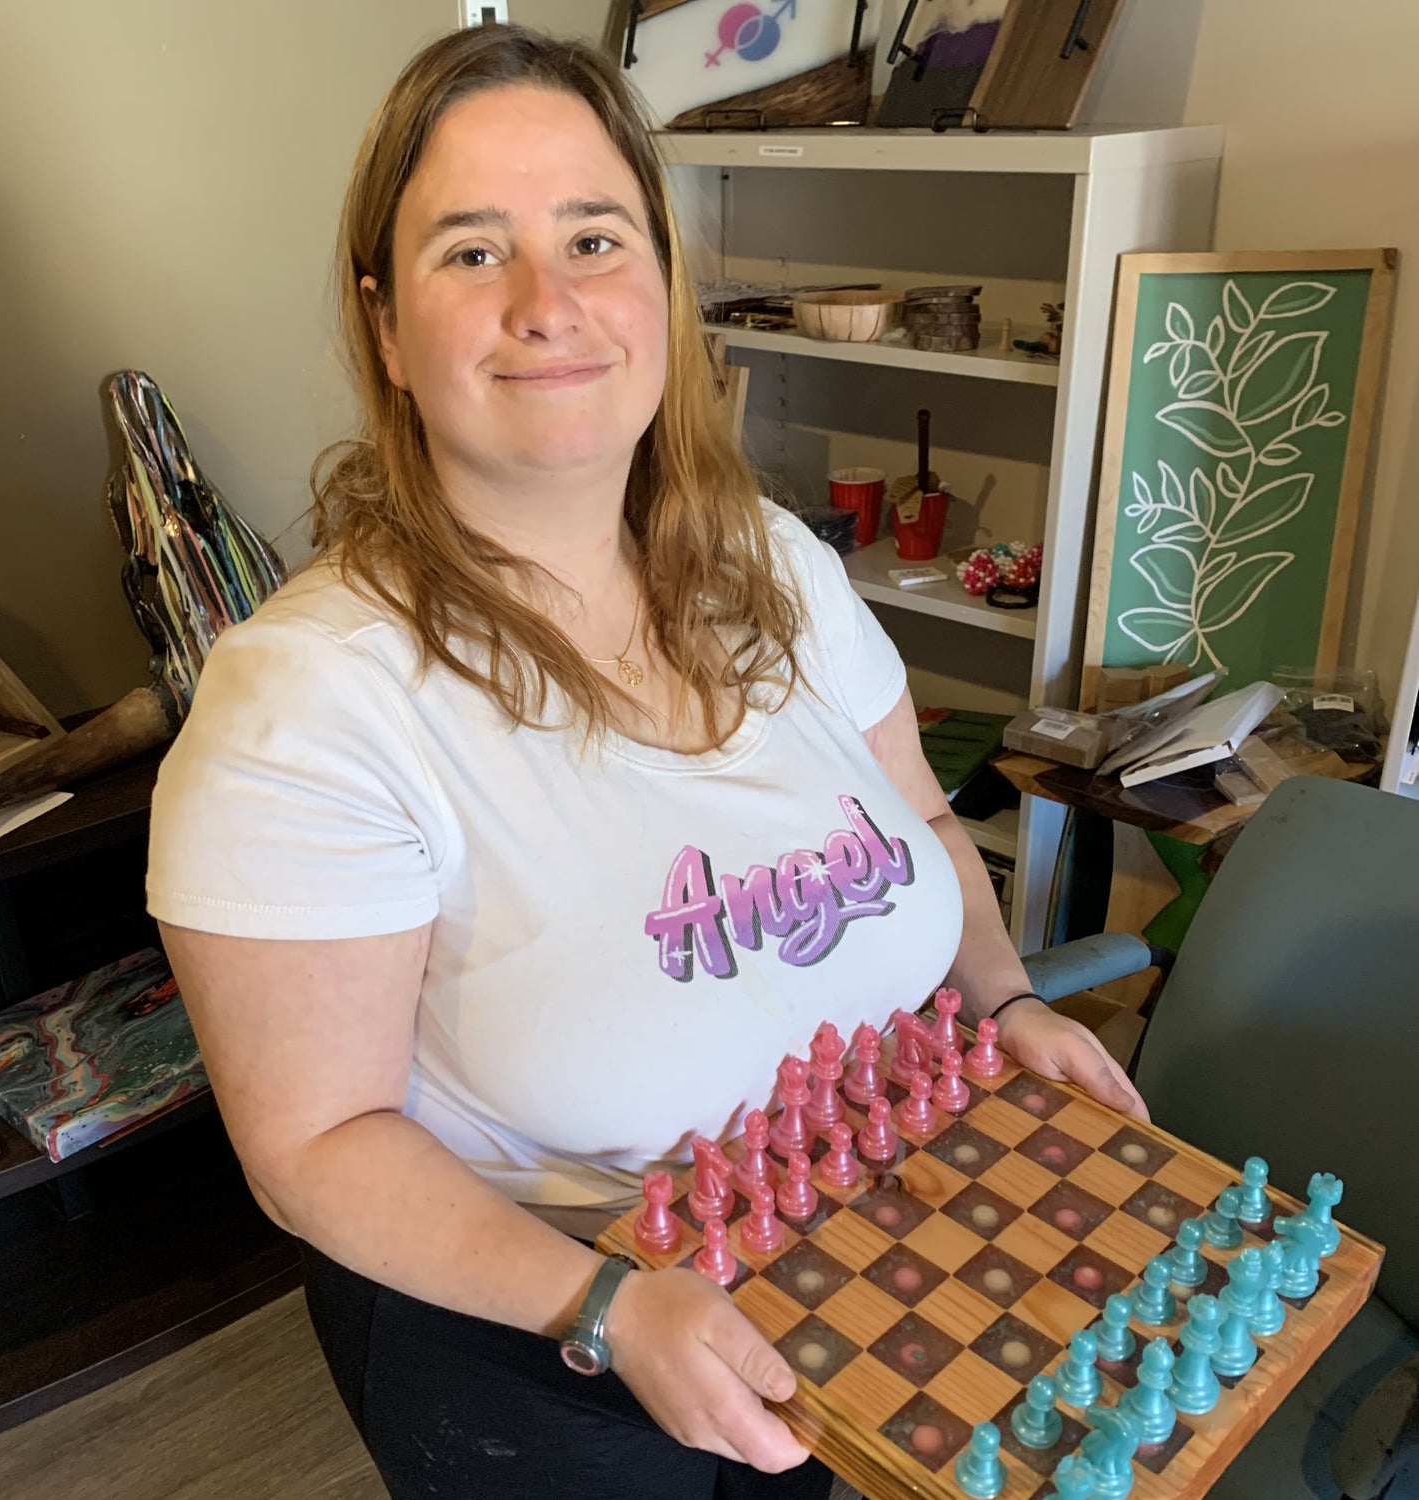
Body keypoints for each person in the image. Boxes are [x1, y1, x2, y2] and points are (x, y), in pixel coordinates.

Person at [146, 24, 1146, 1500]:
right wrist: (604, 1307)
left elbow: (929, 816)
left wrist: (1001, 1001)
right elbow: (313, 1144)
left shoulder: (776, 566)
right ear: (383, 330)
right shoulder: (307, 704)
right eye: (472, 253)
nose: (550, 304)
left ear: (666, 291)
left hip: (876, 1244)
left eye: (595, 237)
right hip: (548, 1340)